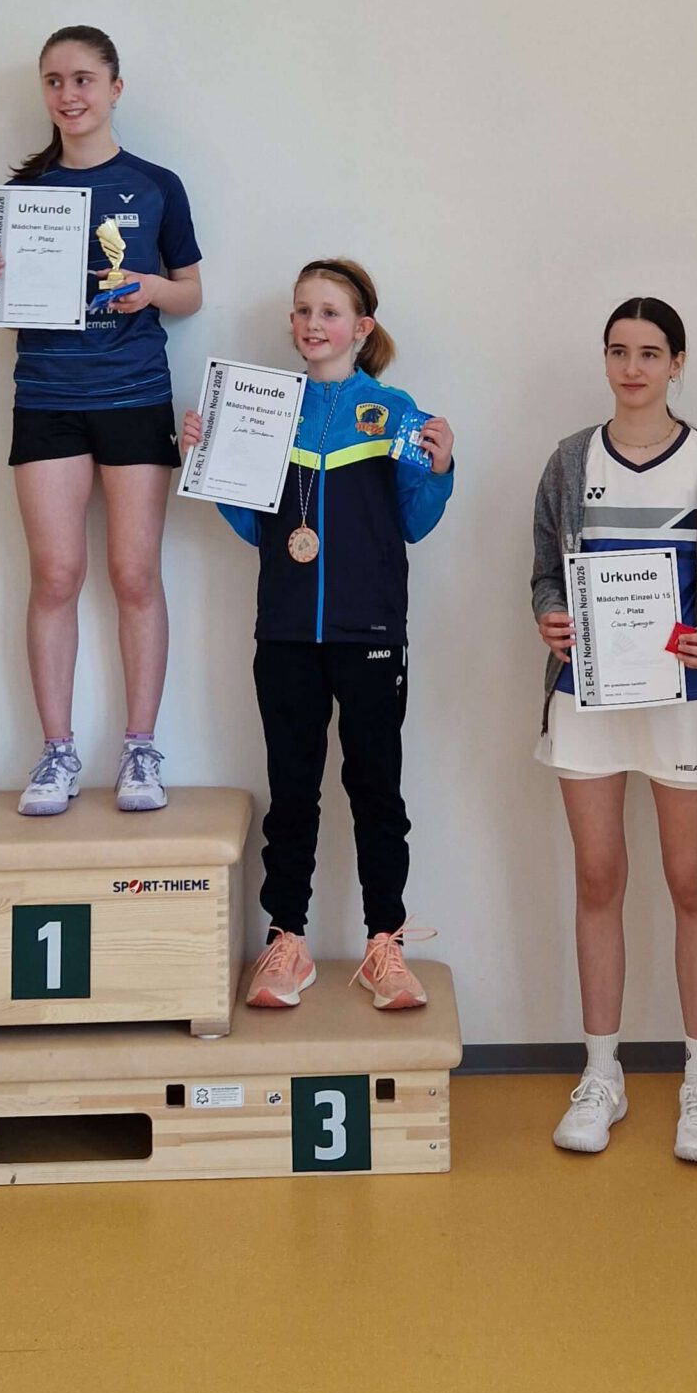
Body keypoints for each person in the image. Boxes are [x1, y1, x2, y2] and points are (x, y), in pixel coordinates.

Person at [181, 259, 453, 1013]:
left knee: (377, 792)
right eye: (303, 310)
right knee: (292, 792)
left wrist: (439, 466)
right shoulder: (266, 408)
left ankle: (385, 945)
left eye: (329, 312)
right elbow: (252, 527)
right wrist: (207, 459)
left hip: (371, 632)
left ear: (361, 327)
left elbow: (416, 521)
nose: (312, 324)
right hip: (287, 631)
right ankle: (287, 943)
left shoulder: (394, 411)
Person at [531, 298, 697, 1163]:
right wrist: (551, 618)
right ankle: (603, 1074)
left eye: (651, 353)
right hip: (586, 698)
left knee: (691, 881)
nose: (633, 368)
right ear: (605, 360)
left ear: (677, 363)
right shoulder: (570, 459)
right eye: (620, 351)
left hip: (683, 699)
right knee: (598, 878)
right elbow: (543, 575)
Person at [0, 26, 202, 815]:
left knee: (135, 575)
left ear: (115, 88)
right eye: (55, 81)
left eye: (84, 79)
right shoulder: (22, 194)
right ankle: (57, 752)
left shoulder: (156, 184)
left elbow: (191, 292)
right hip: (47, 397)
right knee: (56, 575)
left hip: (134, 394)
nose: (69, 94)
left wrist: (150, 288)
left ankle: (141, 748)